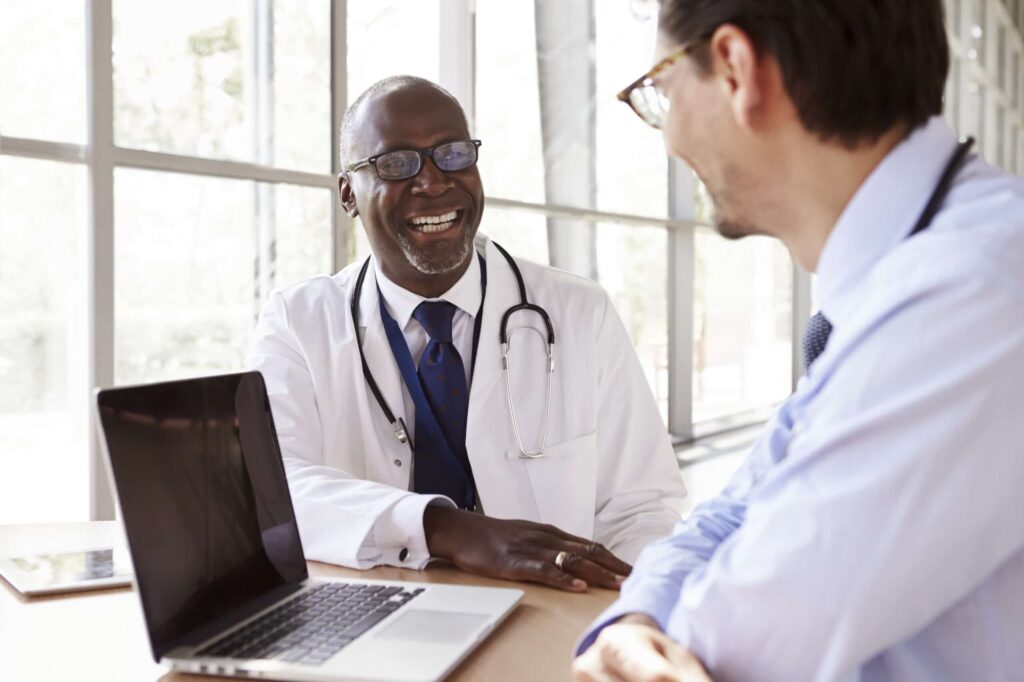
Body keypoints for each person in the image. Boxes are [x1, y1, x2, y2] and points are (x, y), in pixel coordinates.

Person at [573, 1, 1024, 680]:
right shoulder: (892, 283)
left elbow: (734, 652)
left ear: (736, 68)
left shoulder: (971, 293)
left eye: (662, 93)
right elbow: (730, 515)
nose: (668, 140)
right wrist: (637, 621)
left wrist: (654, 638)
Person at [247, 75, 686, 593]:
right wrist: (448, 530)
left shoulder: (578, 312)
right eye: (396, 163)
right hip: (377, 613)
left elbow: (643, 507)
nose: (433, 182)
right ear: (348, 193)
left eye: (453, 154)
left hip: (548, 610)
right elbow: (275, 491)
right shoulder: (299, 322)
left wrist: (625, 612)